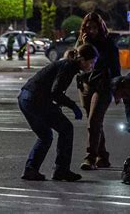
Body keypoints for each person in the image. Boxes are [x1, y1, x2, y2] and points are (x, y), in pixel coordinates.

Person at [18, 44, 99, 181]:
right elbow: (55, 92)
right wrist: (73, 106)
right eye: (91, 63)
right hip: (35, 99)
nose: (92, 66)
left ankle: (31, 169)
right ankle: (61, 170)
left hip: (26, 98)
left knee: (45, 135)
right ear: (82, 60)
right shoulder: (68, 67)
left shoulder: (68, 66)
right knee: (66, 129)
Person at [76, 12, 121, 170]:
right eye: (88, 28)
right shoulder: (82, 41)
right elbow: (77, 61)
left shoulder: (108, 43)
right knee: (94, 123)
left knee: (94, 122)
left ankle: (90, 157)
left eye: (94, 28)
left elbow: (116, 68)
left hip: (103, 86)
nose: (91, 31)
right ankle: (103, 156)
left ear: (100, 27)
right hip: (86, 86)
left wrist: (117, 90)